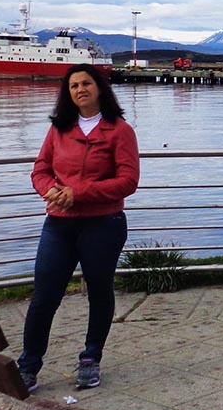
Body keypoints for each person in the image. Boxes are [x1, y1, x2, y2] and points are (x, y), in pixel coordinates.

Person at [17, 64, 139, 392]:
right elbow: (40, 170)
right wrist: (50, 191)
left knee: (99, 292)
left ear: (99, 88)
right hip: (59, 223)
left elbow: (128, 180)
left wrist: (79, 193)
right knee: (44, 296)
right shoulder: (59, 129)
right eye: (73, 86)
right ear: (67, 93)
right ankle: (27, 366)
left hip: (104, 224)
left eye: (86, 83)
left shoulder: (120, 130)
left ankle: (90, 358)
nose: (80, 89)